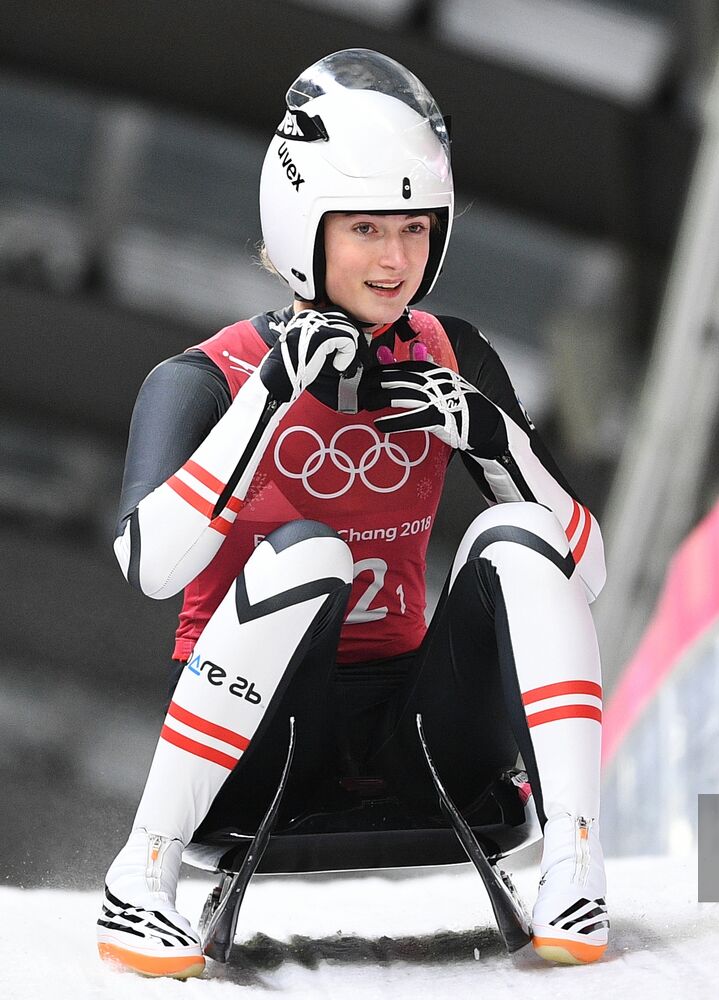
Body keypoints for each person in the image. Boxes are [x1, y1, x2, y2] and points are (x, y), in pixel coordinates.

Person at [94, 49, 608, 977]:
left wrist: (500, 444)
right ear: (303, 229)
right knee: (308, 553)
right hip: (257, 750)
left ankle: (576, 866)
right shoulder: (204, 377)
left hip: (420, 741)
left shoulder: (452, 354)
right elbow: (150, 567)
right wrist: (268, 397)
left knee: (520, 531)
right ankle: (141, 875)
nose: (395, 259)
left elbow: (587, 573)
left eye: (414, 228)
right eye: (366, 227)